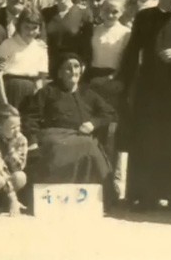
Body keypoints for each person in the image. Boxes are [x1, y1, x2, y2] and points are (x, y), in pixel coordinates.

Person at [118, 0, 171, 211]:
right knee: (146, 142)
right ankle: (145, 195)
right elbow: (133, 50)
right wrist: (123, 80)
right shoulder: (144, 17)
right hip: (148, 90)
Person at [22, 53, 114, 193]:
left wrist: (93, 123)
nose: (73, 71)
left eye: (76, 66)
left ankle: (96, 197)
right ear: (59, 73)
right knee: (65, 148)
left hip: (83, 138)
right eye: (68, 68)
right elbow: (30, 117)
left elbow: (110, 113)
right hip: (55, 138)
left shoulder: (88, 93)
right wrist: (32, 141)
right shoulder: (48, 92)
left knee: (90, 147)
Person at [0, 7, 48, 113]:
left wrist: (36, 101)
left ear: (40, 29)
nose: (30, 32)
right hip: (10, 90)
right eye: (26, 27)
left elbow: (40, 79)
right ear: (19, 26)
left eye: (34, 28)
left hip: (30, 93)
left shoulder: (41, 48)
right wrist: (4, 102)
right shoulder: (7, 44)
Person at [42, 0, 93, 75]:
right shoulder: (45, 14)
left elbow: (88, 47)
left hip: (74, 71)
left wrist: (82, 67)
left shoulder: (84, 14)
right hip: (50, 69)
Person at [0, 105, 29, 216]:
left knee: (20, 176)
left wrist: (11, 149)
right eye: (13, 127)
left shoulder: (21, 140)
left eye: (19, 126)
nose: (17, 130)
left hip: (10, 178)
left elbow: (19, 166)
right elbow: (0, 168)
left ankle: (6, 201)